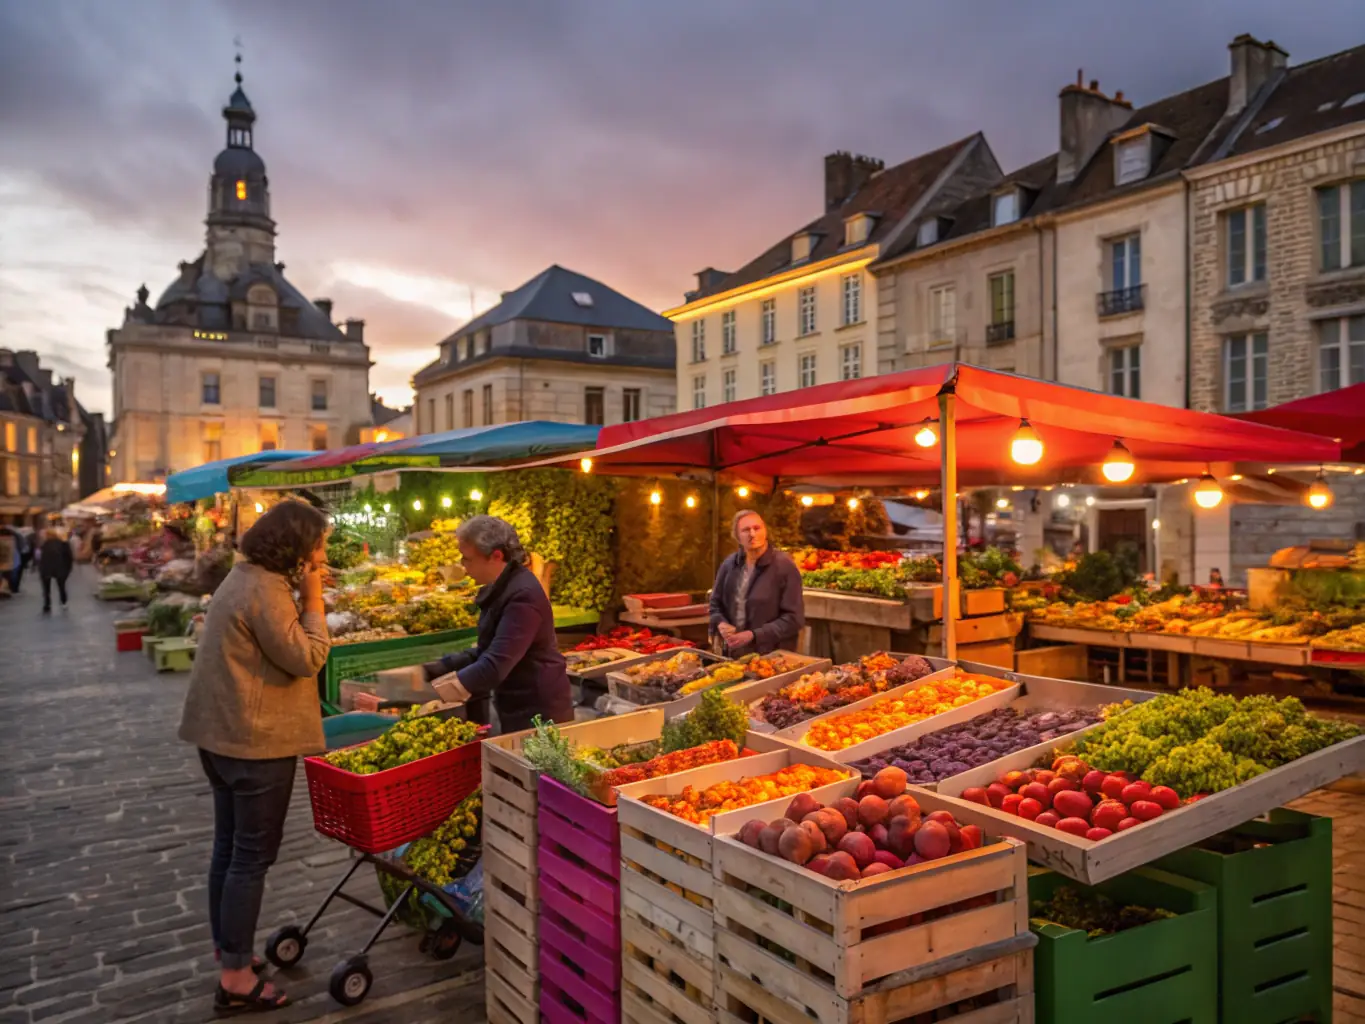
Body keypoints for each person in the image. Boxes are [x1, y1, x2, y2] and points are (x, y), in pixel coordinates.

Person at [178, 500, 331, 1014]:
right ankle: (237, 979)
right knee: (250, 857)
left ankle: (231, 952)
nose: (324, 554)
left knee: (229, 848)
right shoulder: (266, 589)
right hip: (254, 742)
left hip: (220, 737)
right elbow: (307, 657)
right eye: (320, 545)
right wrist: (314, 598)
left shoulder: (241, 576)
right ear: (297, 546)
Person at [422, 515, 572, 733]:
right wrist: (432, 670)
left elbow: (494, 665)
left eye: (467, 559)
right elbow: (485, 650)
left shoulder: (523, 595)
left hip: (540, 714)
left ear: (496, 556)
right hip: (516, 705)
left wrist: (433, 694)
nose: (463, 566)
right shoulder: (501, 588)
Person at [710, 510, 804, 657]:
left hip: (773, 657)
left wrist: (754, 635)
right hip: (734, 655)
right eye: (746, 530)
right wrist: (721, 623)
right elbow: (715, 604)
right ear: (737, 536)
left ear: (765, 531)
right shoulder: (729, 565)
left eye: (757, 528)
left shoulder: (785, 567)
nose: (752, 534)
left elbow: (794, 619)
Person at [38, 525, 74, 613]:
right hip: (60, 568)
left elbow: (38, 557)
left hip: (46, 569)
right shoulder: (63, 543)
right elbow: (69, 557)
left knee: (46, 588)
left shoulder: (43, 545)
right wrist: (68, 569)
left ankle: (47, 604)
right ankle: (64, 602)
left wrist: (39, 567)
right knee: (61, 586)